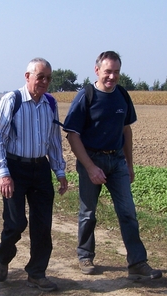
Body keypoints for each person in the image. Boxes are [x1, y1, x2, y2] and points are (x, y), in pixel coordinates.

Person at [62, 51, 161, 280]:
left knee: (128, 212)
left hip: (117, 161)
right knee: (88, 213)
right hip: (91, 159)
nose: (112, 76)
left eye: (116, 72)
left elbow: (126, 130)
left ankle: (137, 262)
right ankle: (85, 255)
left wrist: (129, 164)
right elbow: (72, 135)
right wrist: (89, 167)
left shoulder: (122, 96)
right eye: (108, 71)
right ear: (97, 70)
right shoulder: (85, 96)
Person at [0, 57, 68, 292]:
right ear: (27, 77)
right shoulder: (12, 100)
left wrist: (59, 171)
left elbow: (54, 140)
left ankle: (36, 273)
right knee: (15, 223)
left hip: (40, 168)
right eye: (40, 76)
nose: (44, 82)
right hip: (14, 168)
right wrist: (3, 174)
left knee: (42, 225)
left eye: (48, 78)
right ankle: (3, 257)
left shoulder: (50, 103)